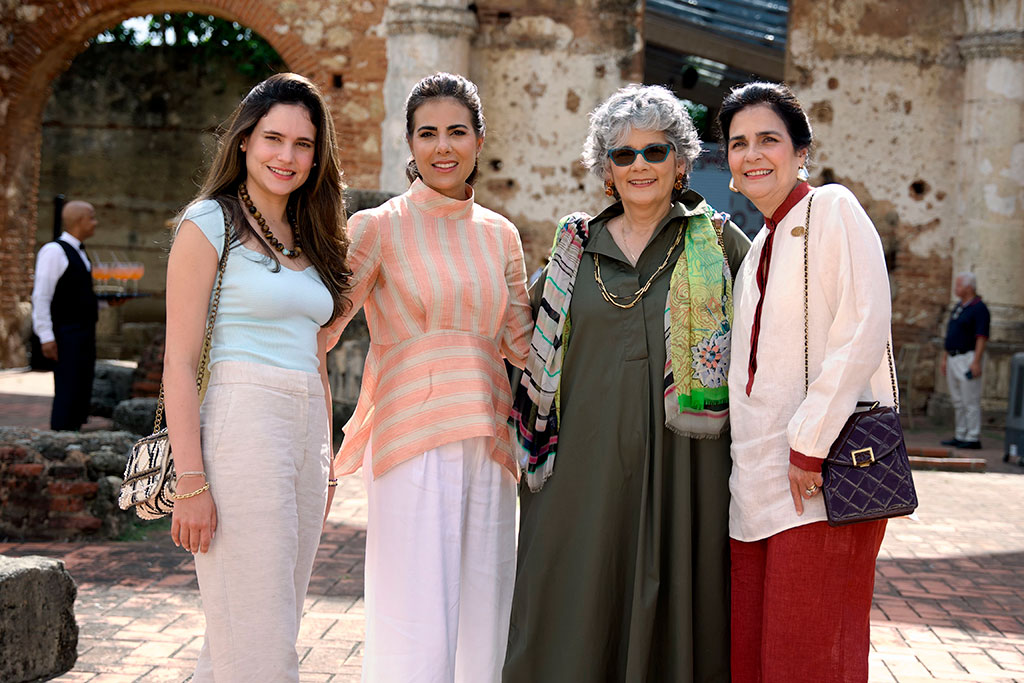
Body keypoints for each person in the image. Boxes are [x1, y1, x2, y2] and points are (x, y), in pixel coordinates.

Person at [505, 84, 750, 682]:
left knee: (678, 607)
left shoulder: (717, 243)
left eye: (655, 151)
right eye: (623, 154)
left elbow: (764, 342)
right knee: (568, 603)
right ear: (606, 170)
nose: (640, 165)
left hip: (685, 471)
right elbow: (521, 344)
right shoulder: (573, 251)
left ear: (682, 162)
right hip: (578, 474)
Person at [327, 72, 532, 682]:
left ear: (479, 139)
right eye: (428, 134)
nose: (443, 147)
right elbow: (322, 327)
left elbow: (523, 344)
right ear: (409, 143)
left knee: (485, 609)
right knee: (415, 612)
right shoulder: (376, 226)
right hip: (410, 436)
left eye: (457, 132)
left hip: (491, 439)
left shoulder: (501, 234)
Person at [163, 72, 350, 682]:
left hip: (306, 432)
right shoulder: (207, 222)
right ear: (244, 141)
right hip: (241, 422)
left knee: (256, 628)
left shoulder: (315, 235)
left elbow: (317, 356)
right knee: (261, 634)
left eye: (303, 144)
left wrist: (328, 462)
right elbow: (179, 360)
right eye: (274, 139)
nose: (287, 157)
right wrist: (190, 480)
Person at [721, 81, 894, 682]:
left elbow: (864, 328)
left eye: (768, 139)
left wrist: (810, 444)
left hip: (821, 477)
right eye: (738, 144)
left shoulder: (833, 210)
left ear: (801, 151)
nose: (752, 154)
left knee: (811, 659)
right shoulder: (758, 245)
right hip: (756, 486)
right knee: (755, 659)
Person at [31, 200, 99, 431]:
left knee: (81, 388)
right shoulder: (53, 251)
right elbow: (41, 296)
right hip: (66, 333)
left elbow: (76, 296)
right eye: (92, 217)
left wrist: (106, 304)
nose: (95, 223)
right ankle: (60, 438)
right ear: (79, 221)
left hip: (84, 331)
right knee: (67, 389)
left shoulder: (81, 253)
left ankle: (74, 436)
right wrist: (46, 336)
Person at [941, 271, 989, 449]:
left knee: (970, 399)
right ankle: (961, 433)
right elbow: (951, 334)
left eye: (959, 285)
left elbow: (981, 336)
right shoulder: (959, 307)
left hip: (968, 357)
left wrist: (976, 361)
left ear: (969, 287)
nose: (956, 289)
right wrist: (945, 358)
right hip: (953, 356)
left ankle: (973, 436)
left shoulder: (979, 308)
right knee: (958, 400)